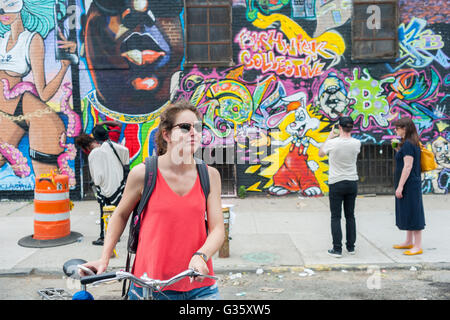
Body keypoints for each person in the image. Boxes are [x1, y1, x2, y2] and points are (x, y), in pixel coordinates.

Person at [80, 100, 225, 300]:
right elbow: (120, 214)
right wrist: (104, 258)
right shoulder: (144, 174)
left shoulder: (210, 176)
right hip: (149, 287)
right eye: (185, 127)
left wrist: (202, 255)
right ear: (166, 135)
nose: (194, 132)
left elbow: (218, 229)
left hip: (200, 287)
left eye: (198, 127)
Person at [0, 0, 76, 178]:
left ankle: (55, 201)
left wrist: (64, 68)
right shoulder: (1, 39)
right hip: (7, 113)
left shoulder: (32, 40)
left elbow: (43, 93)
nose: (3, 11)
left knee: (47, 180)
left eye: (10, 5)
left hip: (24, 109)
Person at [75, 126, 130, 245]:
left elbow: (98, 178)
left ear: (86, 147)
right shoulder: (110, 145)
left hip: (105, 190)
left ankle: (104, 237)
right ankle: (116, 235)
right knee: (116, 213)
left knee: (104, 213)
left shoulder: (93, 154)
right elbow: (125, 152)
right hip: (118, 185)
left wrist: (96, 182)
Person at [319, 116, 361, 258]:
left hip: (336, 182)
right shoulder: (357, 143)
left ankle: (337, 249)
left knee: (335, 217)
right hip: (352, 182)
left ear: (340, 127)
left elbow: (320, 152)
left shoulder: (333, 143)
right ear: (352, 127)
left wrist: (331, 135)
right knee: (350, 216)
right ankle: (351, 247)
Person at [391, 117, 425, 255]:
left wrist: (400, 187)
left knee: (414, 213)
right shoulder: (408, 144)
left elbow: (408, 166)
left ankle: (417, 245)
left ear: (404, 129)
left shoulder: (409, 144)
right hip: (410, 183)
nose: (395, 130)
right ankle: (408, 241)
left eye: (397, 128)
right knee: (408, 211)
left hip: (410, 185)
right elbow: (405, 159)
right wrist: (397, 148)